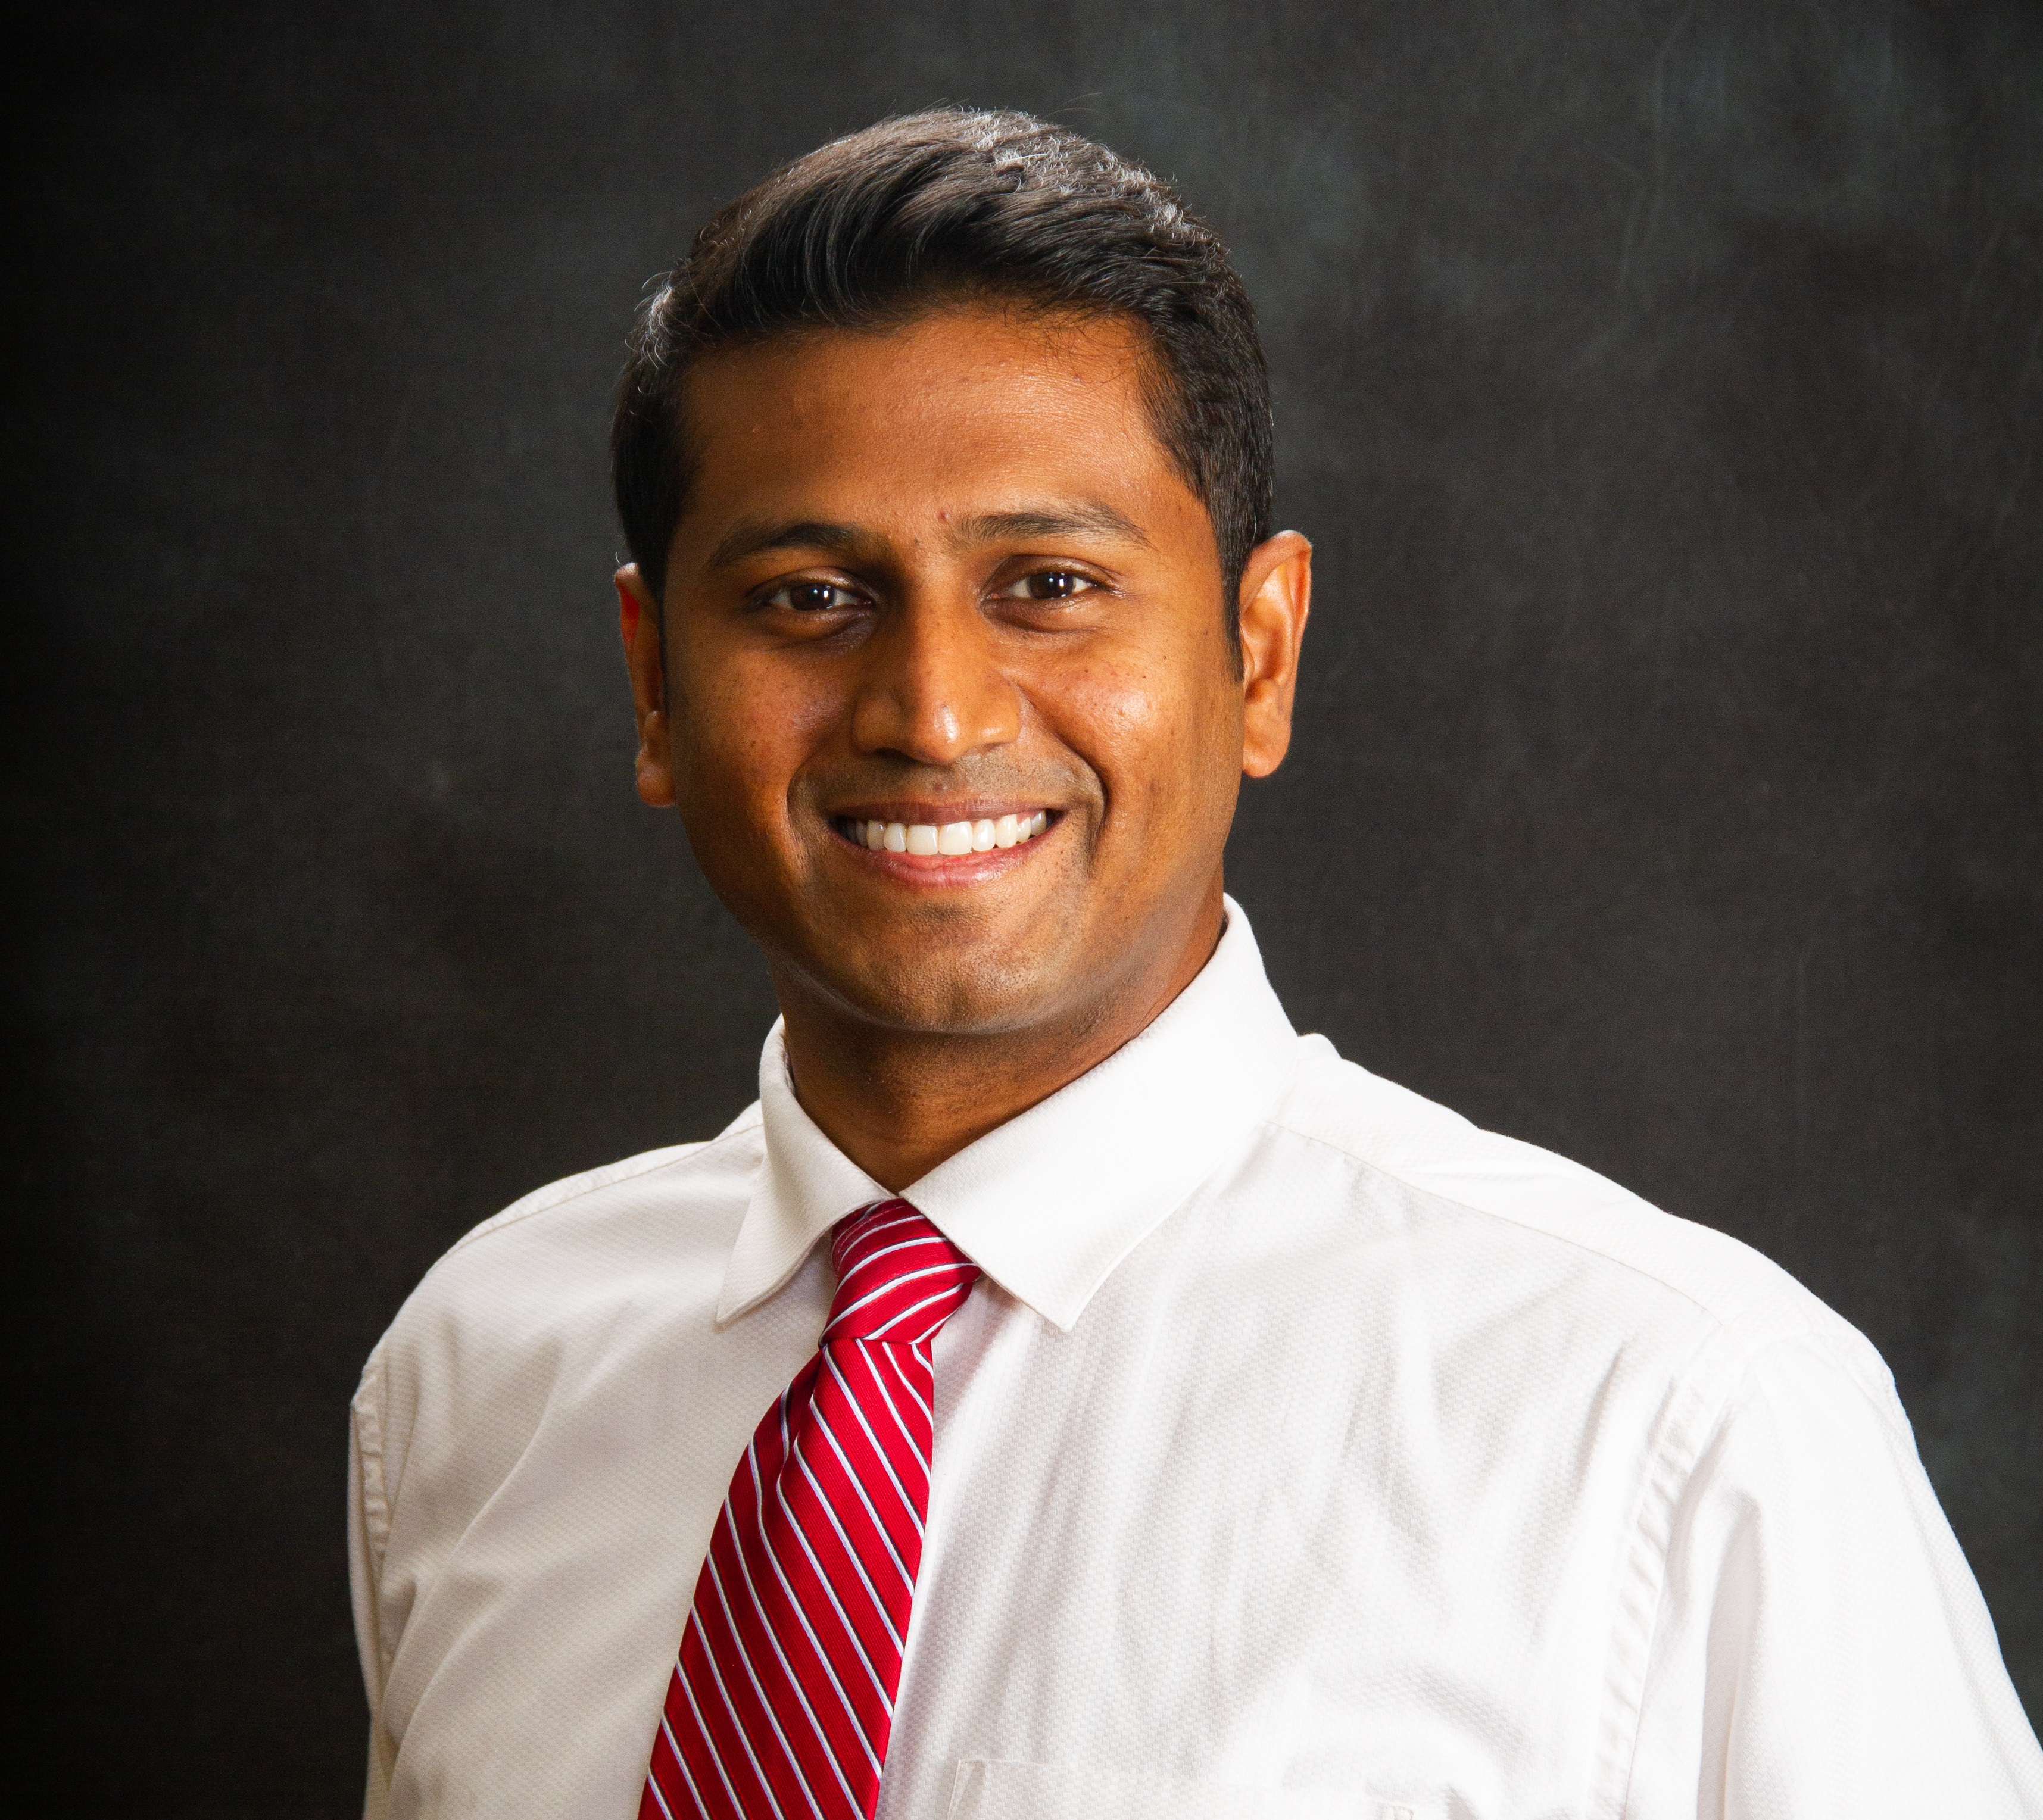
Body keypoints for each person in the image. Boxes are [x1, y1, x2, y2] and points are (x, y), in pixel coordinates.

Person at [347, 109, 2043, 1820]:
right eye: (810, 597)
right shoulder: (479, 1378)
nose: (933, 712)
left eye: (1051, 583)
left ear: (1259, 651)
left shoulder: (1682, 1426)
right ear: (654, 682)